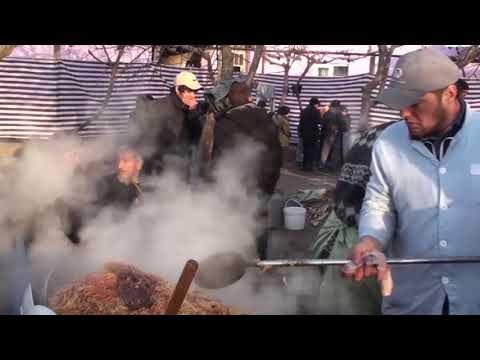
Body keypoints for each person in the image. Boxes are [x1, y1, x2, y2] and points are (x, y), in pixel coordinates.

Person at [343, 47, 480, 315]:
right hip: (413, 299)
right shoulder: (389, 142)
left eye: (415, 103)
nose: (405, 113)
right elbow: (379, 202)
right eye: (401, 104)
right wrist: (371, 239)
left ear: (450, 93)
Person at [128, 71, 204, 178]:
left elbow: (196, 138)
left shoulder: (190, 111)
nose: (193, 95)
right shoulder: (159, 107)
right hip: (156, 171)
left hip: (180, 171)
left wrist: (193, 113)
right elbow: (135, 129)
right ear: (178, 90)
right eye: (190, 91)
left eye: (194, 92)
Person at [320, 100, 350, 171]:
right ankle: (332, 166)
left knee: (325, 150)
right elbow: (344, 126)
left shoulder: (327, 113)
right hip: (337, 134)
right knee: (335, 150)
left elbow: (322, 122)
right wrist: (343, 129)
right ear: (338, 106)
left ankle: (322, 164)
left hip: (328, 133)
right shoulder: (339, 114)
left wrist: (328, 127)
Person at [298, 97, 322, 171]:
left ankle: (304, 165)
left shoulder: (304, 111)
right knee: (312, 150)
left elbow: (301, 122)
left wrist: (300, 132)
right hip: (313, 133)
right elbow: (319, 122)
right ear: (316, 104)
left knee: (305, 149)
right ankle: (310, 166)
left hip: (304, 133)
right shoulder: (317, 111)